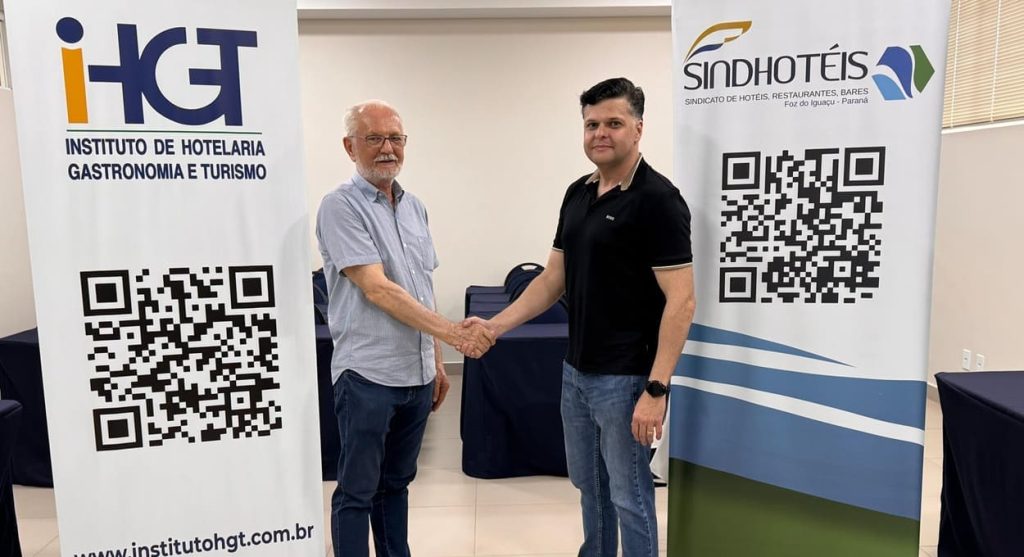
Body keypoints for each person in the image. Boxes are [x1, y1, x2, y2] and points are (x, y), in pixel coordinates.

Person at [466, 78, 696, 557]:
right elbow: (553, 279)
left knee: (630, 496)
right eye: (591, 124)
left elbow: (682, 301)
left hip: (627, 379)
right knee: (590, 486)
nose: (600, 134)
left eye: (614, 123)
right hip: (576, 371)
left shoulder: (658, 199)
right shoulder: (578, 192)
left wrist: (656, 390)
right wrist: (496, 326)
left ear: (638, 128)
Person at [316, 100, 493, 557]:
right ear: (349, 146)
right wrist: (452, 334)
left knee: (395, 485)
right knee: (357, 491)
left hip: (415, 376)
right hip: (367, 376)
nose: (387, 148)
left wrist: (436, 360)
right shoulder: (340, 206)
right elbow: (378, 289)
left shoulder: (415, 207)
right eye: (374, 138)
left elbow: (422, 286)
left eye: (395, 138)